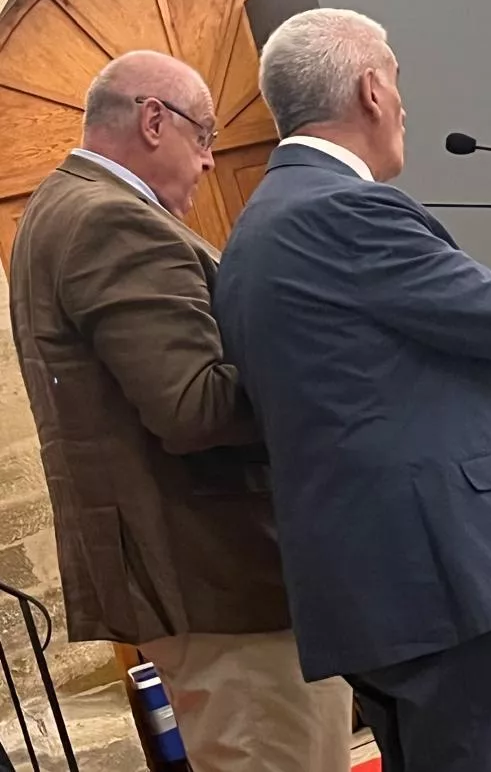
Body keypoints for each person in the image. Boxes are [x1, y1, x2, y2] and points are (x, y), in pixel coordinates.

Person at [212, 9, 491, 771]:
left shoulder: (258, 228)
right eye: (398, 82)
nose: (405, 105)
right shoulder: (348, 208)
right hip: (439, 576)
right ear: (373, 90)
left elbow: (348, 382)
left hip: (368, 576)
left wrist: (489, 372)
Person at [9, 50, 352, 772]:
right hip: (220, 576)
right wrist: (337, 371)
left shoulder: (67, 205)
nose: (208, 162)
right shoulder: (111, 220)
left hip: (196, 576)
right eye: (205, 137)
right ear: (154, 120)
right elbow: (194, 407)